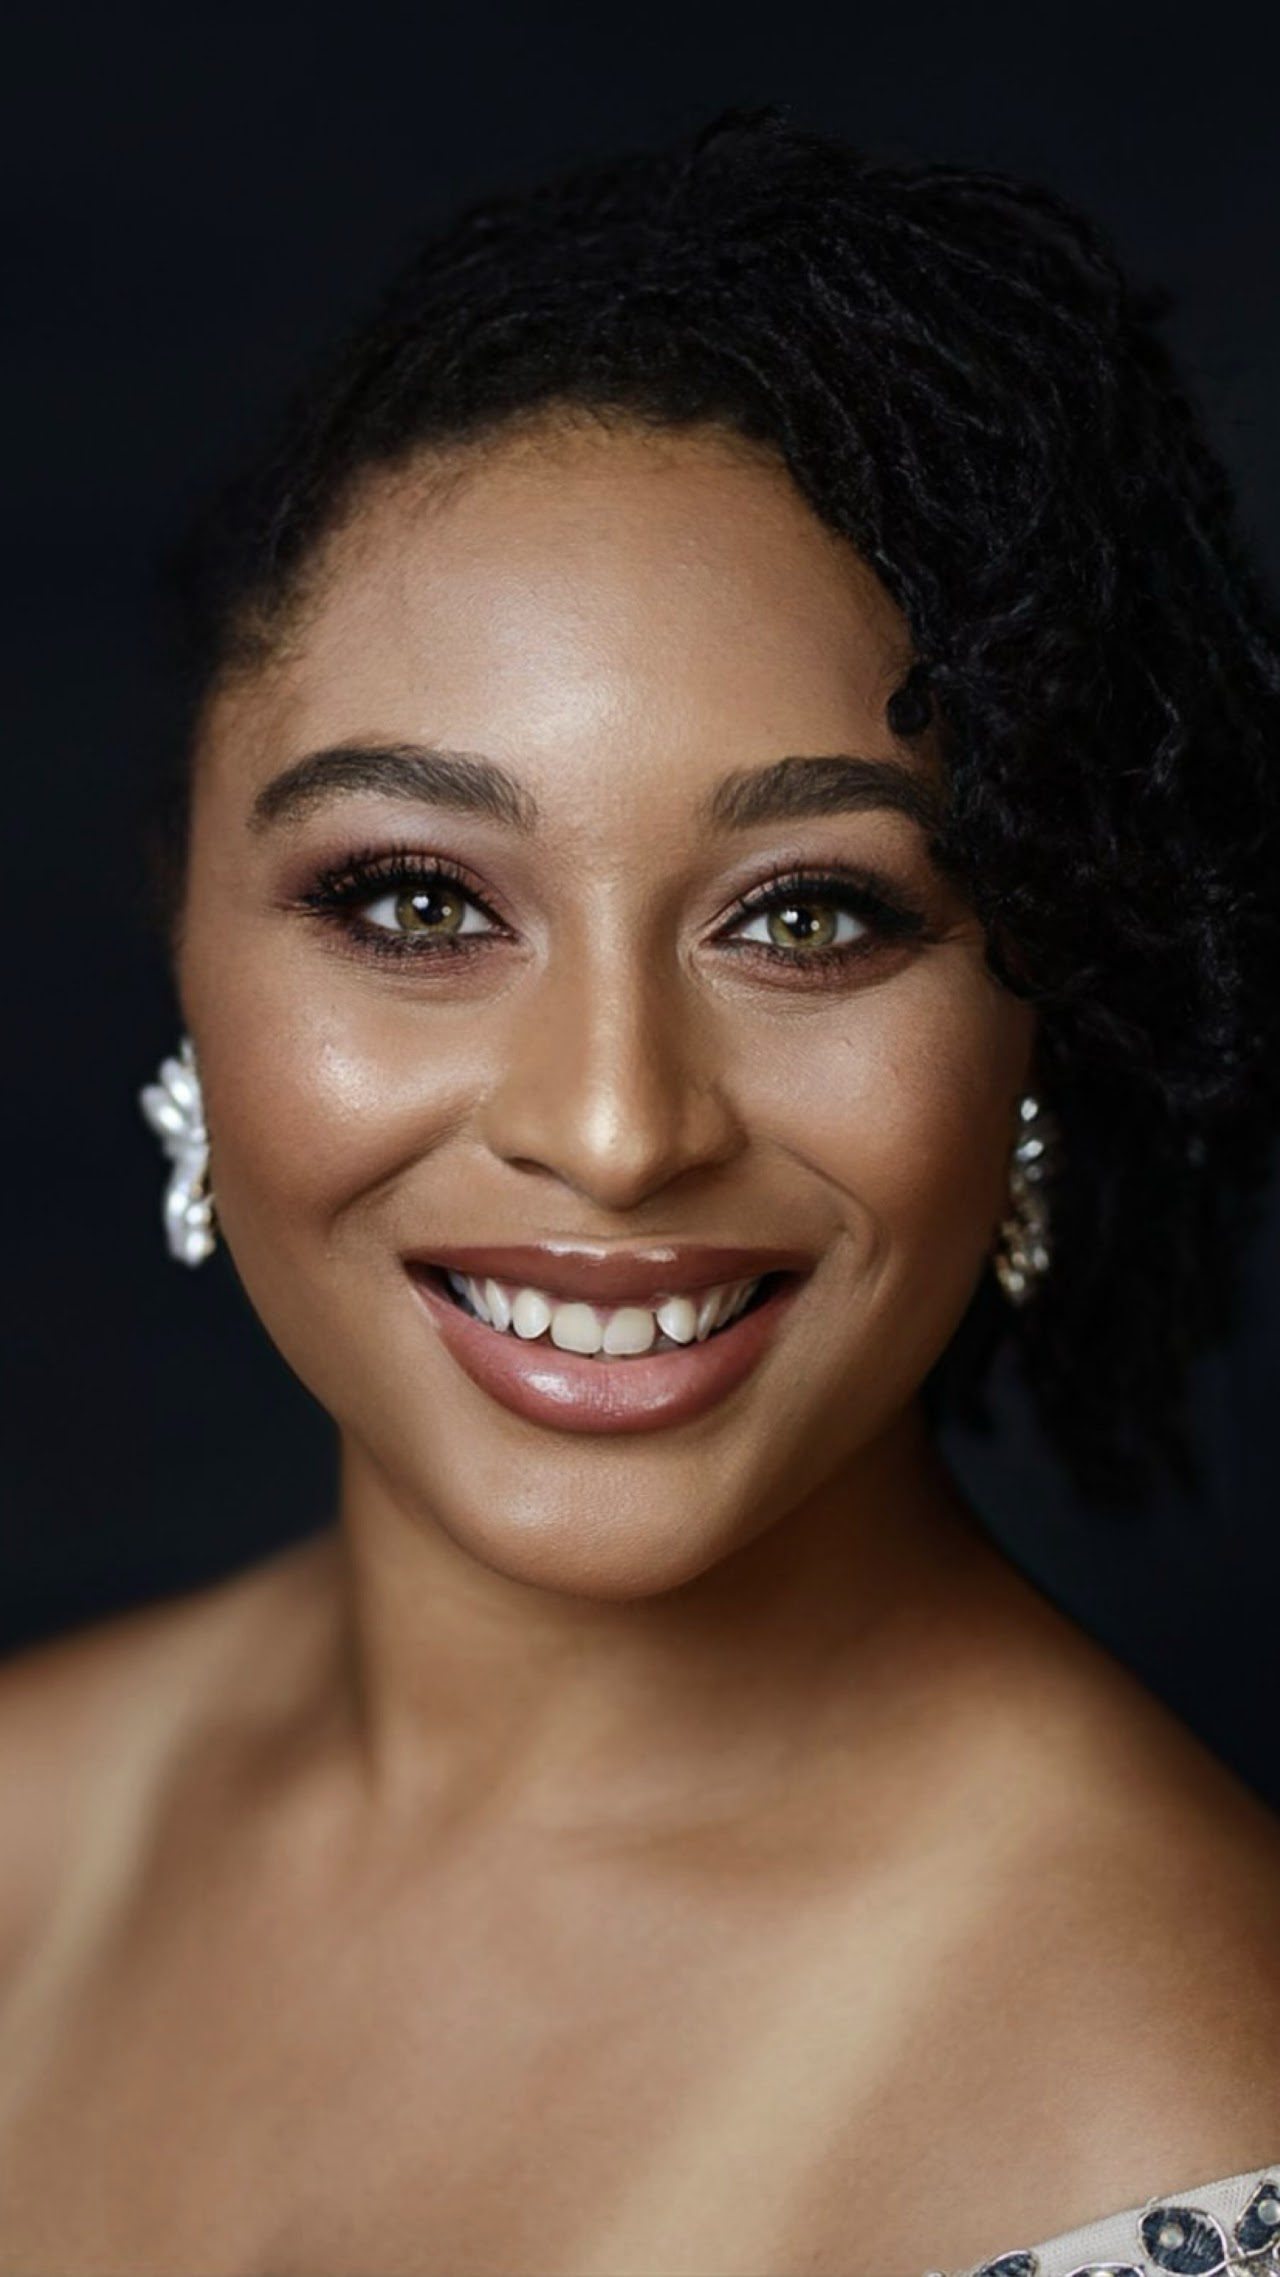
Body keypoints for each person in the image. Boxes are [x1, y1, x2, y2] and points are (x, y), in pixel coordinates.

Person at [1, 103, 1277, 2277]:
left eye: (806, 917)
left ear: (1040, 1005)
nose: (613, 1124)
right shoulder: (24, 1822)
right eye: (412, 896)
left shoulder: (1181, 2119)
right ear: (186, 939)